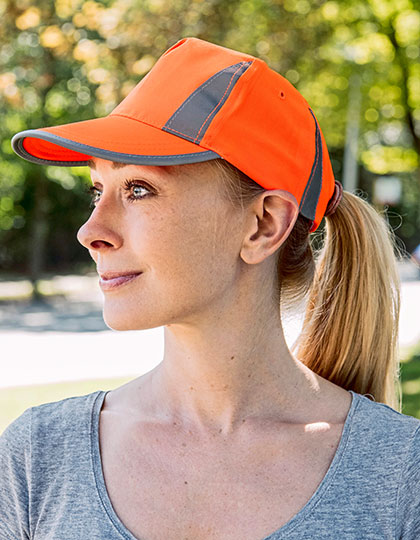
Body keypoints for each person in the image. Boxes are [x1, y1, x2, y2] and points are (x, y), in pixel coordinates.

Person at [1, 37, 419, 539]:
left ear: (263, 225)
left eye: (138, 189)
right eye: (98, 191)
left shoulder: (401, 475)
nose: (91, 232)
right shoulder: (38, 457)